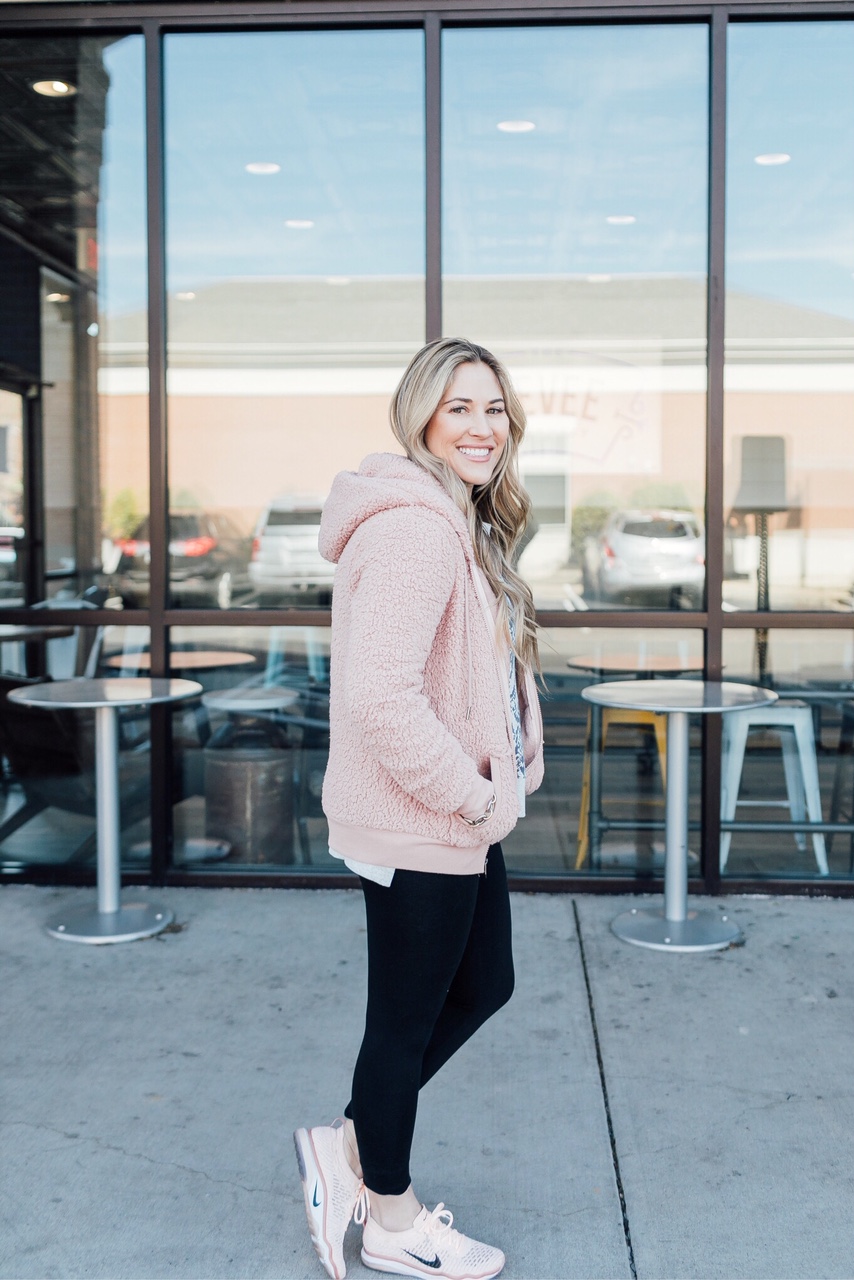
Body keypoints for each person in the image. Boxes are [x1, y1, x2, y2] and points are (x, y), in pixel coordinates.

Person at [294, 337, 544, 1280]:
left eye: (494, 408)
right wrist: (476, 797)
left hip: (455, 813)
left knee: (484, 986)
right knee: (402, 1020)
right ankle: (390, 1218)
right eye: (459, 408)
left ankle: (350, 1144)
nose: (482, 427)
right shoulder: (412, 529)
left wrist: (501, 775)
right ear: (421, 418)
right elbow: (381, 696)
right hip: (424, 815)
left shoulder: (450, 519)